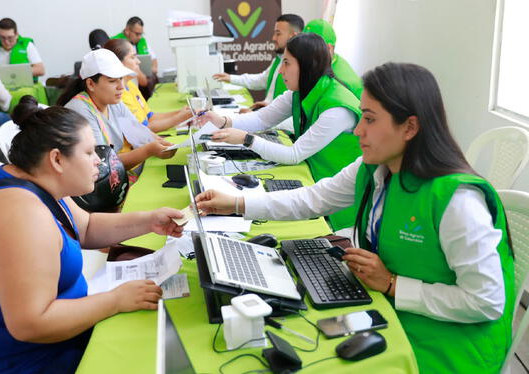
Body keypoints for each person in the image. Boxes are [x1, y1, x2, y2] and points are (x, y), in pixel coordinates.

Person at [195, 62, 515, 374]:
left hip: (449, 342)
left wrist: (393, 285)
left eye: (370, 119)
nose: (358, 130)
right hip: (390, 305)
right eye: (362, 115)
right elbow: (313, 198)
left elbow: (486, 301)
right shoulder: (376, 166)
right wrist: (237, 203)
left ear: (410, 127)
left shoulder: (457, 201)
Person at [0, 95, 185, 373]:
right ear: (57, 159)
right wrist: (115, 300)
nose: (100, 161)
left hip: (29, 344)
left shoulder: (35, 181)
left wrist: (150, 221)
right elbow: (32, 323)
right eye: (89, 152)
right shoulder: (21, 215)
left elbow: (86, 227)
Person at [198, 33, 361, 230]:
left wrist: (246, 140)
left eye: (286, 63)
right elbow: (261, 118)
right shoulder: (301, 91)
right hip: (316, 182)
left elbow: (294, 154)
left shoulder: (337, 108)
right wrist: (223, 121)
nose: (281, 70)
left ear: (307, 65)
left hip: (339, 201)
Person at [57, 48, 175, 182]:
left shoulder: (113, 102)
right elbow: (102, 165)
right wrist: (149, 150)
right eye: (112, 81)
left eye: (121, 79)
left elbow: (139, 132)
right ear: (91, 84)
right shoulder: (80, 111)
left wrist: (163, 143)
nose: (121, 87)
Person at [213, 14, 303, 112]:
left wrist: (258, 113)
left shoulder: (300, 68)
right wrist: (231, 78)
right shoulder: (278, 59)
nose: (273, 38)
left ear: (294, 36)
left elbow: (292, 115)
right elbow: (263, 79)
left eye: (278, 34)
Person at [104, 38, 191, 132]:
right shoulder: (120, 94)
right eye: (133, 57)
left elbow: (150, 117)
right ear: (118, 63)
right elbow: (143, 129)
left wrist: (181, 112)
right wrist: (179, 118)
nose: (138, 61)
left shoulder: (130, 85)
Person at [303, 19, 363, 99]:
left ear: (329, 48)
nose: (305, 53)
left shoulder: (342, 82)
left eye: (310, 48)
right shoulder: (319, 65)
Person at [112, 16, 157, 99]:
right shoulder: (117, 44)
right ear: (127, 31)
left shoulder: (141, 41)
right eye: (137, 34)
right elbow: (143, 82)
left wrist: (154, 67)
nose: (140, 37)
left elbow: (153, 58)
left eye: (141, 34)